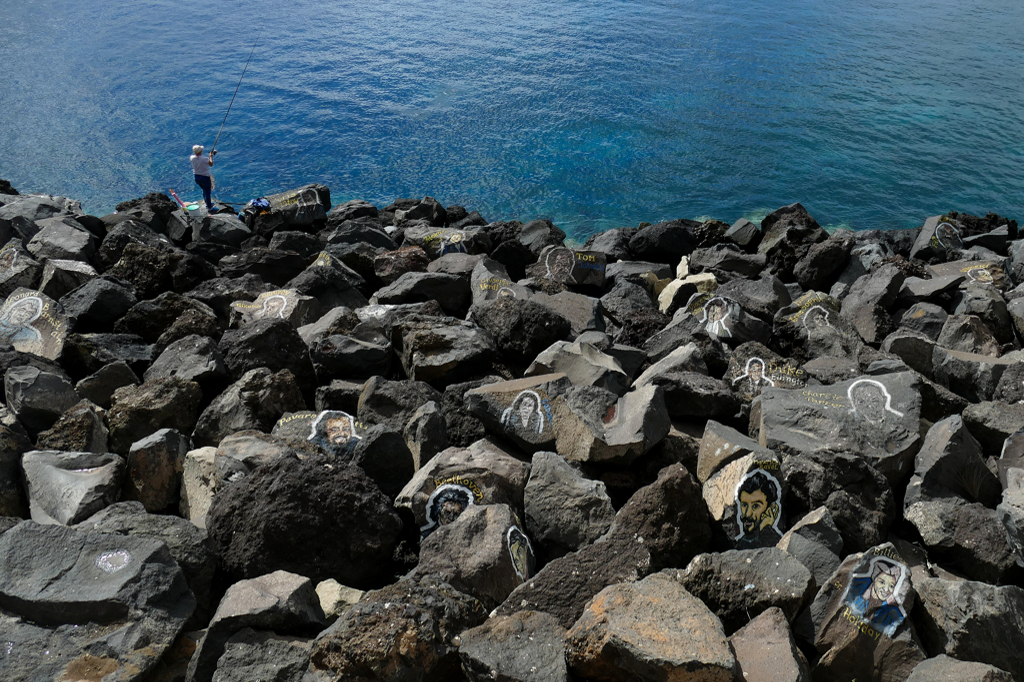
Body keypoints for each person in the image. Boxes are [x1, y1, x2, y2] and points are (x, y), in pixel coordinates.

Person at [734, 469, 783, 547]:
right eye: (744, 505)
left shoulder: (778, 541)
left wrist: (766, 530)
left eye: (755, 506)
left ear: (770, 508)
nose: (748, 514)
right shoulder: (739, 544)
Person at [190, 144, 216, 211]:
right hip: (205, 177)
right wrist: (210, 156)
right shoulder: (204, 159)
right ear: (200, 151)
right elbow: (211, 164)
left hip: (197, 177)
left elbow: (199, 159)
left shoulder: (192, 158)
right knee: (207, 192)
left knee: (204, 191)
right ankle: (210, 207)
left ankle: (208, 203)